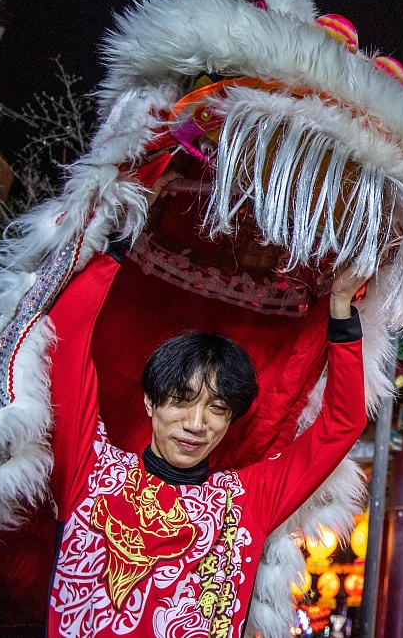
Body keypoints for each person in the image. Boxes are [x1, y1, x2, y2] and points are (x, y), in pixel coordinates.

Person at [43, 190, 369, 638]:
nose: (197, 424)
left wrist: (341, 310)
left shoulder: (249, 498)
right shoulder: (89, 469)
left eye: (217, 408)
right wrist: (123, 229)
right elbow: (67, 343)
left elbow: (341, 424)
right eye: (180, 400)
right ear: (149, 402)